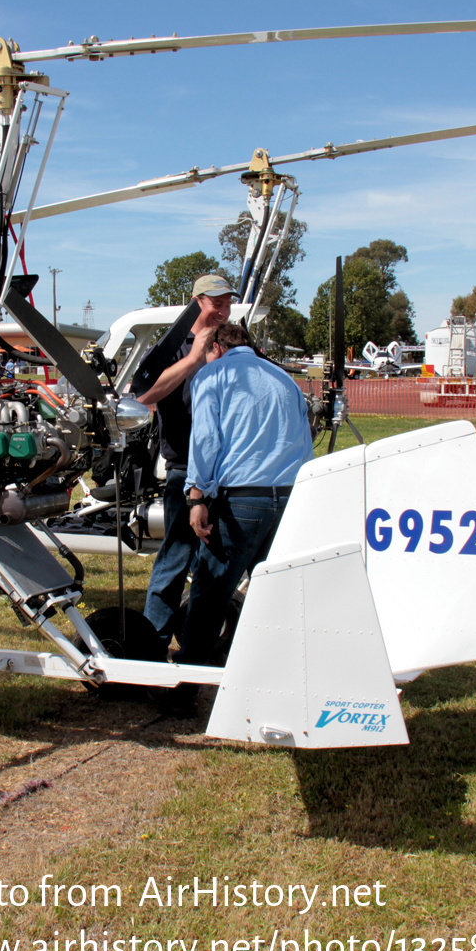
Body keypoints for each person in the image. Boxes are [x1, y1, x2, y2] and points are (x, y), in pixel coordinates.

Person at [180, 322, 313, 664]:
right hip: (289, 495)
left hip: (242, 498)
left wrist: (196, 497)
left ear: (217, 348)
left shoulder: (213, 376)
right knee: (277, 594)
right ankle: (274, 671)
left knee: (210, 593)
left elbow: (206, 441)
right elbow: (304, 439)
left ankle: (187, 682)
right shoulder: (285, 380)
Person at [131, 274, 236, 648]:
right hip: (184, 471)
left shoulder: (232, 342)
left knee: (215, 563)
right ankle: (150, 646)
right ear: (196, 302)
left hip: (228, 472)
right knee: (175, 559)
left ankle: (202, 645)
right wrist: (194, 359)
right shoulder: (173, 346)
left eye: (227, 303)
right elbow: (143, 396)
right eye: (215, 302)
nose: (222, 310)